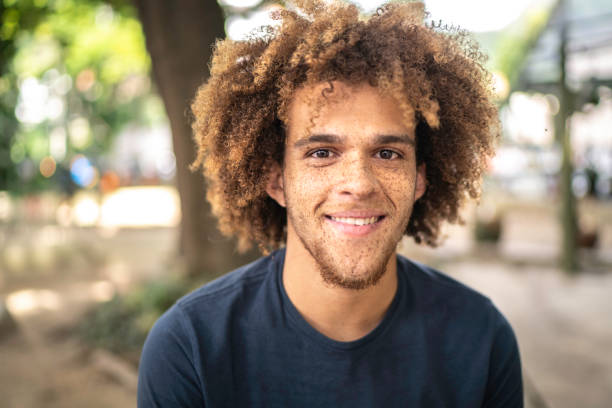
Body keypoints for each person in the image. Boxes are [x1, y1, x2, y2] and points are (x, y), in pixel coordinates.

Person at [138, 0, 523, 406]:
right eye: (322, 153)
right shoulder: (190, 348)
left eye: (388, 153)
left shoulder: (481, 341)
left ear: (420, 179)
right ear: (275, 178)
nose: (358, 184)